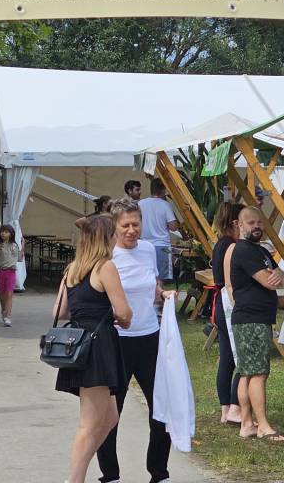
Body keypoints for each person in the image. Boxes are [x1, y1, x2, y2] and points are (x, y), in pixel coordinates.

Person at [95, 199, 175, 483]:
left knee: (161, 408)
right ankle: (110, 475)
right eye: (125, 225)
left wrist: (162, 294)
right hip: (117, 341)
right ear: (114, 226)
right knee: (110, 412)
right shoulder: (106, 256)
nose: (131, 230)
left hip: (149, 337)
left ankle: (159, 472)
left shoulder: (148, 249)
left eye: (136, 224)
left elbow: (152, 283)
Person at [54, 215, 132, 483]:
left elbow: (59, 312)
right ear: (107, 238)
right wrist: (120, 316)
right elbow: (124, 313)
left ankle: (78, 472)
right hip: (98, 346)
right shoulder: (105, 267)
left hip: (79, 343)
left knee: (110, 417)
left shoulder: (73, 269)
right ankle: (74, 480)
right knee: (89, 424)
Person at [229, 206, 284, 442]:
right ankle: (262, 425)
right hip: (250, 320)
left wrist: (280, 275)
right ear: (240, 225)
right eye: (251, 223)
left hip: (255, 319)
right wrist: (276, 277)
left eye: (259, 223)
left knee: (247, 373)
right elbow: (269, 281)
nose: (256, 227)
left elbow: (282, 276)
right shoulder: (244, 250)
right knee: (258, 373)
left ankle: (246, 424)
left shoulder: (260, 250)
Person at [211, 202, 244, 425]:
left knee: (227, 360)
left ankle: (226, 409)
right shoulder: (231, 246)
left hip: (220, 305)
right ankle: (234, 406)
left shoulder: (220, 244)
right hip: (228, 304)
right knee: (241, 358)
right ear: (235, 223)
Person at [137, 179, 178, 282]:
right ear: (163, 190)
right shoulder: (165, 205)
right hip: (162, 245)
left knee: (146, 277)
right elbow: (173, 227)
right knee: (160, 279)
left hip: (144, 245)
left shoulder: (140, 204)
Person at [0, 224, 21, 326]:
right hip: (0, 271)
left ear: (11, 234)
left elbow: (19, 258)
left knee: (9, 294)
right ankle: (3, 311)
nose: (3, 234)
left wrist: (22, 244)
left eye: (6, 232)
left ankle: (8, 316)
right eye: (2, 231)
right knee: (2, 295)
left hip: (11, 272)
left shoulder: (14, 245)